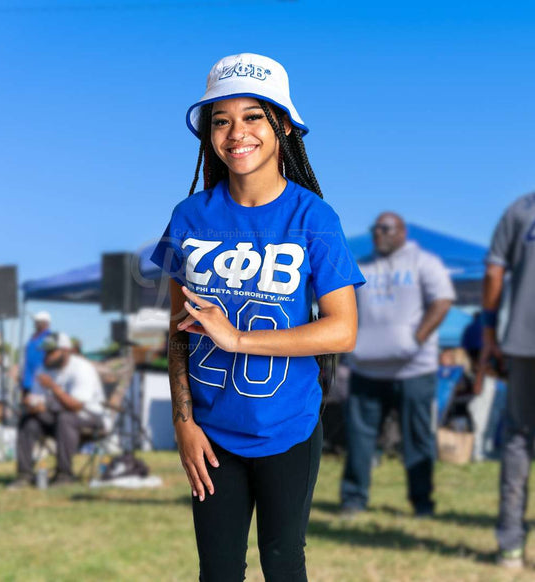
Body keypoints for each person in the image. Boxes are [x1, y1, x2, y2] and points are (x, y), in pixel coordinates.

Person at [150, 53, 364, 582]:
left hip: (288, 427)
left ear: (283, 125)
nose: (235, 133)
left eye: (253, 117)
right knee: (218, 571)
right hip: (212, 432)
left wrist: (237, 338)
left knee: (283, 561)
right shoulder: (189, 216)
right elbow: (177, 331)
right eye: (221, 120)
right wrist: (183, 423)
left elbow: (343, 329)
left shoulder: (314, 218)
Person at [341, 212, 455, 517]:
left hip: (414, 370)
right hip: (366, 368)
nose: (378, 233)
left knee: (417, 438)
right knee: (359, 437)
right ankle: (353, 500)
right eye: (375, 229)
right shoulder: (361, 265)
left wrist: (415, 340)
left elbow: (442, 301)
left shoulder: (424, 262)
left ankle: (422, 504)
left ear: (402, 231)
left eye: (386, 228)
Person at [478, 192, 535, 568]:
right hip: (523, 343)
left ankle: (510, 546)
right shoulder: (520, 209)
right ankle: (511, 542)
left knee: (518, 439)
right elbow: (494, 270)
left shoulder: (521, 209)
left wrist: (488, 331)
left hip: (522, 340)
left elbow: (494, 271)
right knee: (516, 439)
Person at [8, 332, 106, 488]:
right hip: (57, 416)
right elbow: (37, 399)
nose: (46, 356)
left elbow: (76, 406)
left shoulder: (82, 369)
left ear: (66, 351)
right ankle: (24, 475)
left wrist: (53, 387)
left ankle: (64, 475)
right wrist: (32, 405)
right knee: (29, 421)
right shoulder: (44, 369)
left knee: (65, 418)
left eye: (51, 352)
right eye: (45, 352)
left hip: (89, 416)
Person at [21, 311, 52, 395]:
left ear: (45, 323)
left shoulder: (49, 337)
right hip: (26, 380)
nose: (35, 324)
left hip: (39, 381)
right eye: (35, 322)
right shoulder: (32, 337)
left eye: (38, 322)